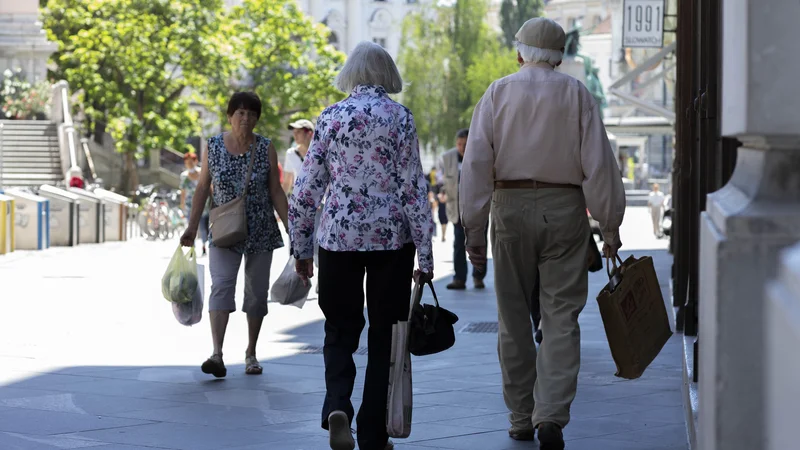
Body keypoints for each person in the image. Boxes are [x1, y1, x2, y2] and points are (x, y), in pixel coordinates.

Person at [459, 18, 626, 450]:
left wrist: (473, 231)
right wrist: (609, 226)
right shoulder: (577, 94)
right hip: (565, 209)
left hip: (509, 208)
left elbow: (476, 164)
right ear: (561, 57)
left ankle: (519, 417)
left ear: (519, 53)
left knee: (513, 319)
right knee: (561, 318)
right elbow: (599, 165)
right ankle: (550, 413)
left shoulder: (497, 93)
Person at [289, 41, 434, 450]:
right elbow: (413, 189)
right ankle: (373, 433)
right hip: (391, 240)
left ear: (350, 73)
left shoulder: (330, 118)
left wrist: (301, 250)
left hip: (338, 239)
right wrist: (425, 252)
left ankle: (338, 405)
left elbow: (306, 190)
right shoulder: (401, 119)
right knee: (385, 335)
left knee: (339, 328)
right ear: (387, 73)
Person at [180, 91, 289, 378]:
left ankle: (251, 352)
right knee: (222, 286)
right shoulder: (213, 146)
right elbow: (202, 188)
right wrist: (192, 227)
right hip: (225, 229)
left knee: (256, 293)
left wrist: (293, 228)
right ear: (230, 116)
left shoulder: (266, 147)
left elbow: (276, 190)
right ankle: (217, 354)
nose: (245, 118)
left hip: (261, 230)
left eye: (252, 113)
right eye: (240, 112)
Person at [437, 129, 487, 290]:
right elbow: (443, 182)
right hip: (457, 209)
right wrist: (442, 193)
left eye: (465, 144)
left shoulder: (481, 156)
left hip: (478, 208)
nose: (462, 147)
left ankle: (478, 277)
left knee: (480, 242)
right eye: (459, 144)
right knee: (459, 244)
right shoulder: (448, 157)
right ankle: (459, 278)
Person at [180, 152, 210, 256]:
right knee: (190, 227)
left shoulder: (202, 173)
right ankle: (192, 247)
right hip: (189, 206)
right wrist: (182, 204)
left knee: (202, 227)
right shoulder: (184, 176)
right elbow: (183, 191)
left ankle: (204, 246)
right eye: (187, 163)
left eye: (191, 162)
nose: (189, 164)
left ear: (195, 161)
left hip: (203, 206)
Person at [282, 119, 315, 195]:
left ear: (309, 133)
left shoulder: (320, 152)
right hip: (299, 198)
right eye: (294, 132)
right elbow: (287, 182)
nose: (295, 135)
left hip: (320, 200)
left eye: (298, 132)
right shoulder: (291, 153)